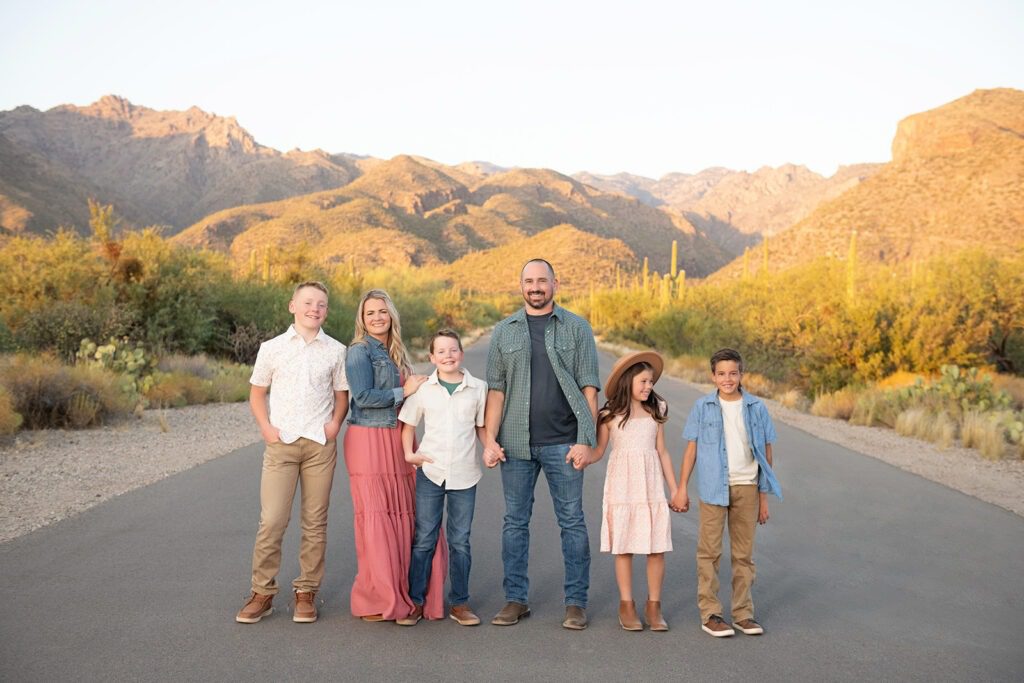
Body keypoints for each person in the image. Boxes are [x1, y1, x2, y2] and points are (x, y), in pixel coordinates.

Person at [484, 258, 600, 630]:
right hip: (515, 445)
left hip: (564, 442)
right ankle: (515, 599)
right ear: (521, 285)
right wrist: (489, 439)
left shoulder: (577, 328)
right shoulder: (504, 332)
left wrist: (586, 440)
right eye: (529, 281)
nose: (535, 287)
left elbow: (590, 389)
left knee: (572, 522)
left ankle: (576, 603)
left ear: (555, 283)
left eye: (542, 280)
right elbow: (496, 391)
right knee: (514, 523)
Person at [235, 280, 349, 625]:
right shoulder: (272, 348)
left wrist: (334, 425)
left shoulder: (336, 350)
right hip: (281, 445)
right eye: (308, 302)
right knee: (272, 520)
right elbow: (257, 393)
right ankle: (262, 592)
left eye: (321, 304)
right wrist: (266, 429)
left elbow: (341, 395)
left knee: (315, 522)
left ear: (326, 311)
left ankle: (306, 591)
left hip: (319, 446)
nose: (315, 309)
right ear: (293, 306)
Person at [343, 288, 443, 623]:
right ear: (362, 318)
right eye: (370, 312)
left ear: (391, 315)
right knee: (377, 517)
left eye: (382, 311)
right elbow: (363, 397)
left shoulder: (396, 351)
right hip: (369, 440)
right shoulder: (359, 351)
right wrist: (405, 389)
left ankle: (413, 592)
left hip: (399, 437)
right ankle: (380, 597)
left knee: (409, 514)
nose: (377, 318)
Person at [670, 348, 782, 637]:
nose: (728, 379)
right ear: (713, 376)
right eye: (721, 374)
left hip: (748, 487)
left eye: (733, 373)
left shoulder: (757, 407)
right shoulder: (702, 407)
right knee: (709, 552)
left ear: (741, 374)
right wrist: (681, 488)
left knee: (744, 555)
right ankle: (711, 614)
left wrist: (763, 497)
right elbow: (691, 450)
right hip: (713, 489)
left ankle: (743, 614)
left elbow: (766, 453)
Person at [396, 329, 494, 627]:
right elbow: (408, 425)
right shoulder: (424, 389)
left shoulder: (478, 388)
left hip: (465, 474)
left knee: (460, 541)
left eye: (453, 350)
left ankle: (460, 603)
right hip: (431, 472)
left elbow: (480, 426)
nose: (448, 356)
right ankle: (415, 601)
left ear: (461, 354)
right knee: (425, 538)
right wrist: (409, 454)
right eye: (441, 351)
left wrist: (490, 447)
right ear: (432, 357)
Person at [580, 350, 676, 631]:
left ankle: (654, 606)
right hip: (622, 487)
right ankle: (627, 605)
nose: (648, 386)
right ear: (627, 381)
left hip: (650, 487)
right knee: (624, 547)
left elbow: (663, 452)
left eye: (651, 382)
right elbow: (599, 451)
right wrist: (583, 456)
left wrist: (675, 489)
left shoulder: (657, 410)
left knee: (656, 547)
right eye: (643, 381)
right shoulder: (609, 415)